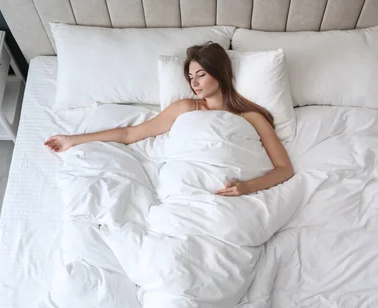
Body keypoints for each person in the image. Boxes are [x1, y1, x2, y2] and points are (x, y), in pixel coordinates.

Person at [45, 42, 294, 196]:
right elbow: (131, 134)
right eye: (190, 77)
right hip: (184, 190)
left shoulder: (251, 117)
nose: (194, 83)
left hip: (233, 196)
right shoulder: (186, 108)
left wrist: (248, 187)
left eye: (201, 74)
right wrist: (73, 140)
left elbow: (285, 169)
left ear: (220, 73)